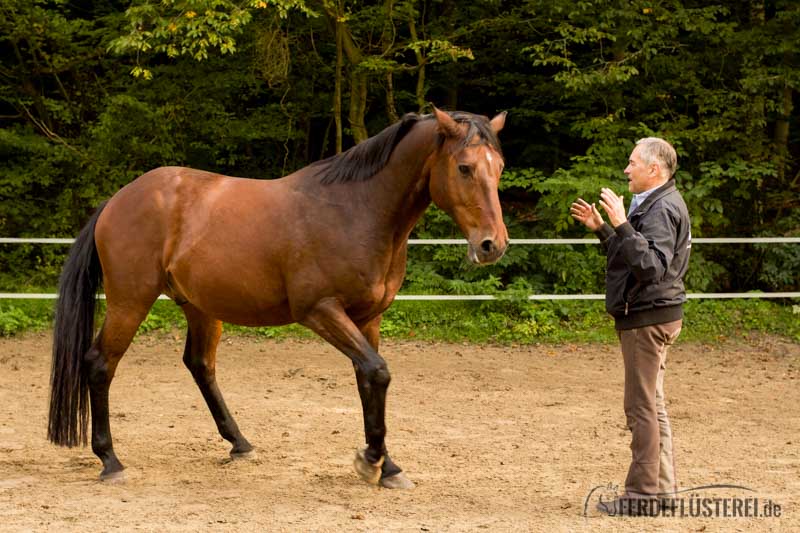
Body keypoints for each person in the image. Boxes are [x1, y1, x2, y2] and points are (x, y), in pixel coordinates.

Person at [570, 137, 691, 516]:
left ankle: (641, 497)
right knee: (652, 406)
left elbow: (651, 268)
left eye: (632, 163)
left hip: (647, 319)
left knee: (641, 408)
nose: (627, 169)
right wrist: (605, 229)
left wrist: (621, 223)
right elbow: (631, 256)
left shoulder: (659, 209)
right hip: (653, 313)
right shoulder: (657, 203)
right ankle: (662, 491)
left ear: (653, 169)